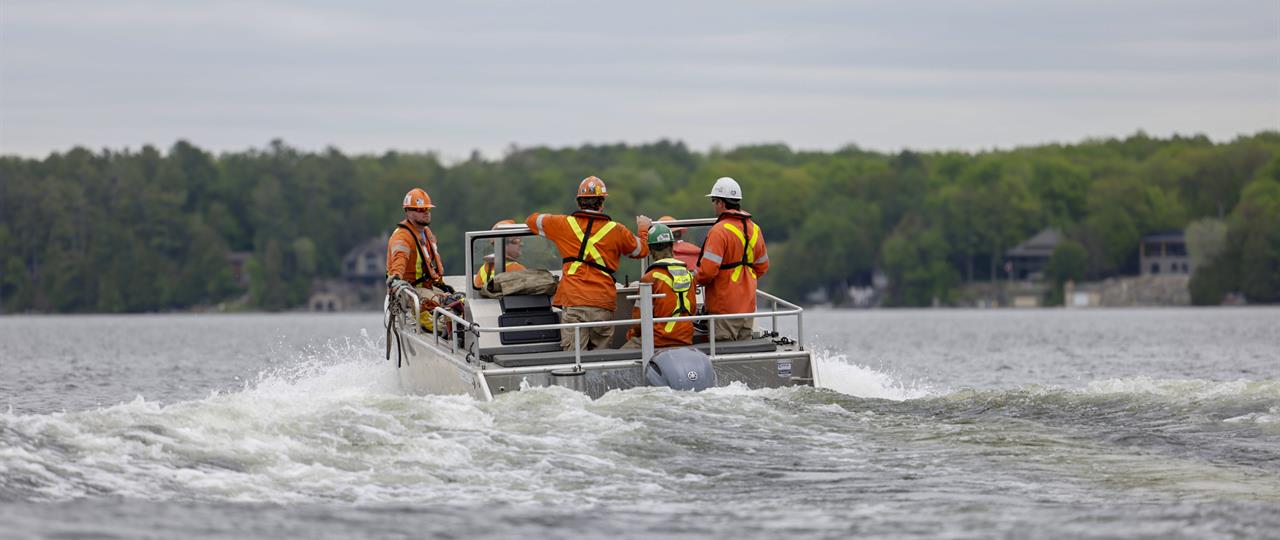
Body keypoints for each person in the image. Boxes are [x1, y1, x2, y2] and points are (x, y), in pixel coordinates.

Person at [526, 176, 652, 351]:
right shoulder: (617, 230)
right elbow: (641, 251)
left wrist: (552, 219)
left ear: (579, 202)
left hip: (574, 300)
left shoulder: (563, 224)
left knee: (574, 362)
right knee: (600, 363)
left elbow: (532, 220)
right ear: (602, 202)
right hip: (602, 303)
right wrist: (643, 229)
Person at [696, 177, 768, 342]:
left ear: (721, 203)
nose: (713, 205)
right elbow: (762, 267)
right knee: (743, 360)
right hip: (748, 310)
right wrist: (744, 281)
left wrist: (694, 279)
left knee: (723, 358)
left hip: (723, 310)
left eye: (714, 201)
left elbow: (706, 272)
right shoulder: (755, 229)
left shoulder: (719, 231)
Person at [386, 188, 455, 330]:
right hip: (411, 290)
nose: (426, 212)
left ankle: (454, 331)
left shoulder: (425, 233)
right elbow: (399, 258)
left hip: (427, 287)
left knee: (459, 300)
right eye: (421, 209)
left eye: (428, 209)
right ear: (409, 212)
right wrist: (396, 277)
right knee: (447, 304)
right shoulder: (402, 237)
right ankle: (444, 330)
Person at [622, 223, 697, 349]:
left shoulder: (649, 278)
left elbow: (639, 320)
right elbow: (693, 310)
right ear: (672, 246)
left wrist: (633, 334)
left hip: (659, 341)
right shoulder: (689, 275)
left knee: (619, 357)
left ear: (651, 251)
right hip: (685, 338)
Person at [474, 219, 527, 289]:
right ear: (503, 244)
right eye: (517, 240)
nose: (521, 244)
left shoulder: (483, 270)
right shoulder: (518, 269)